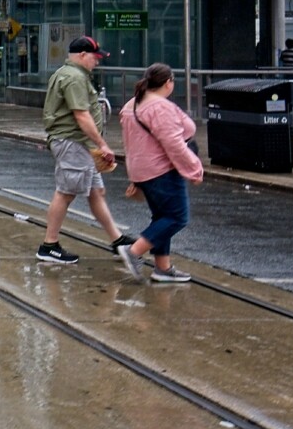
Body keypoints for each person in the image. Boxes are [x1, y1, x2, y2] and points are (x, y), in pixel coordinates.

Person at [35, 36, 133, 264]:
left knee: (96, 192)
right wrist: (102, 144)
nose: (96, 62)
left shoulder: (68, 74)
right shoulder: (74, 78)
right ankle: (49, 245)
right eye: (94, 57)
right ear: (82, 55)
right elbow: (82, 115)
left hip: (79, 144)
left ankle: (117, 241)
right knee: (66, 192)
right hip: (73, 142)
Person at [116, 64, 204, 284]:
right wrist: (194, 168)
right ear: (168, 82)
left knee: (162, 217)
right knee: (177, 217)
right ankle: (134, 251)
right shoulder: (160, 107)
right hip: (161, 170)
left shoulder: (132, 104)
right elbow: (173, 144)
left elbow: (131, 142)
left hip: (141, 170)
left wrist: (132, 176)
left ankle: (162, 268)